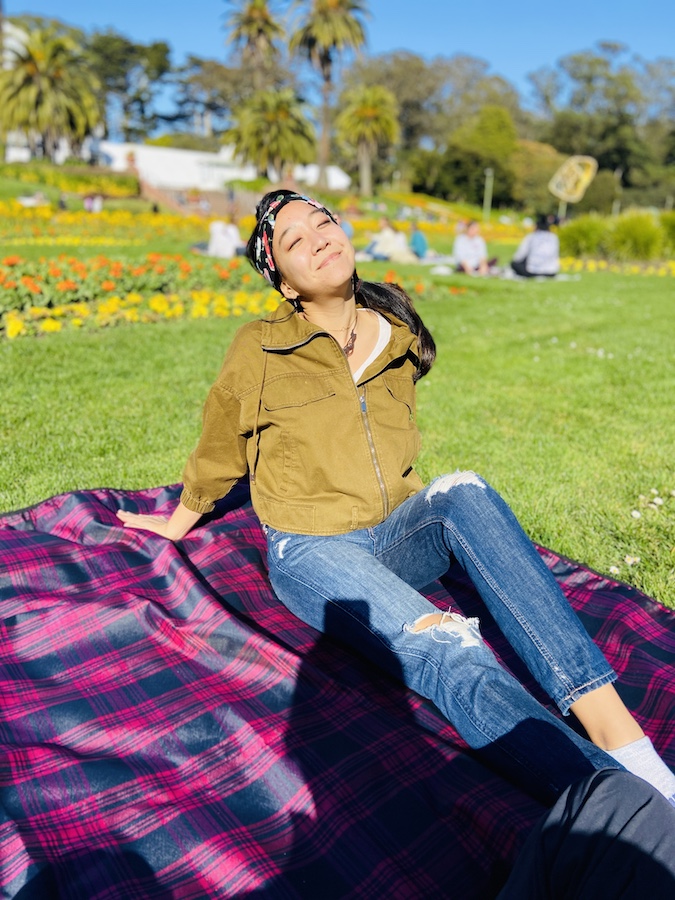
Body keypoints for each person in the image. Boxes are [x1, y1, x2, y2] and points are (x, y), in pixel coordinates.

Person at [117, 190, 675, 809]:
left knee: (465, 489)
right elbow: (222, 447)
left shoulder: (398, 335)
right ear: (282, 280)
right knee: (447, 644)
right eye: (295, 241)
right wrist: (180, 519)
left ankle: (624, 741)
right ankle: (618, 803)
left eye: (323, 222)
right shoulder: (260, 348)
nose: (319, 238)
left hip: (394, 535)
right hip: (316, 549)